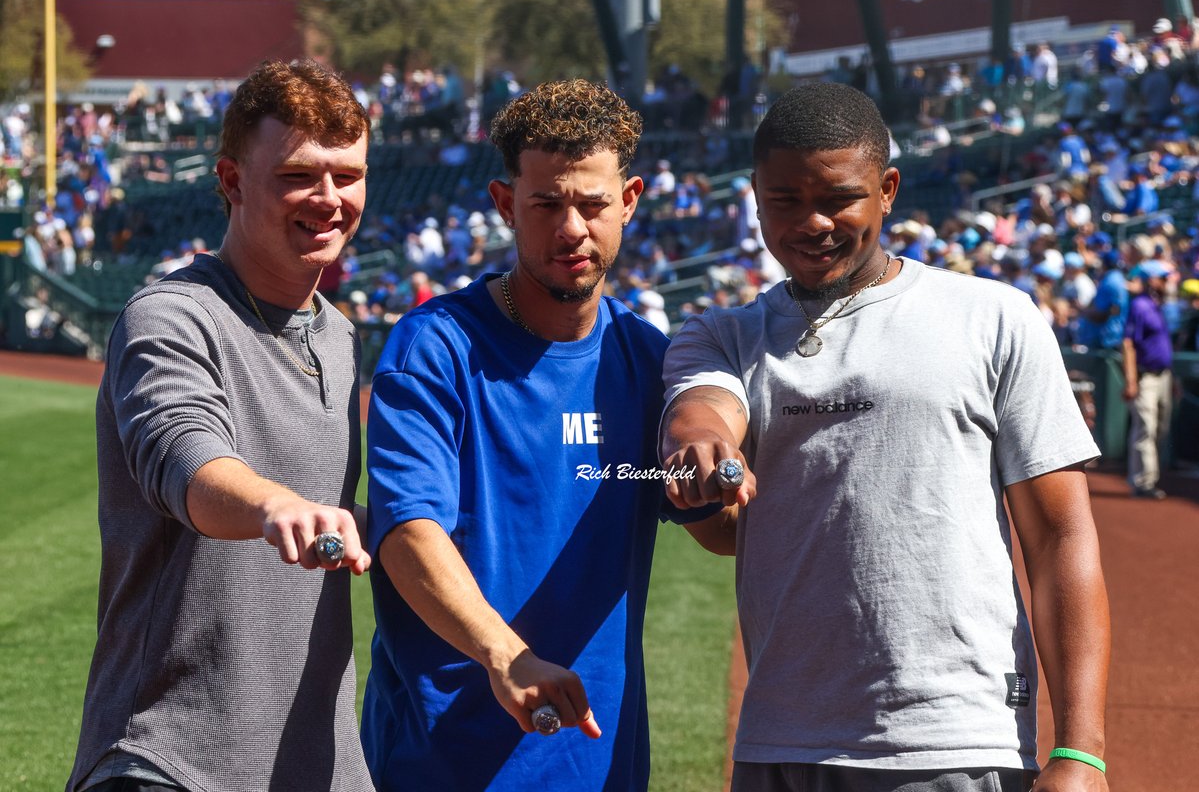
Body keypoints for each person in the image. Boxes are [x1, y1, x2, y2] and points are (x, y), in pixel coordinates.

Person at [659, 83, 1110, 792]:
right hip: (781, 740)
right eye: (784, 201)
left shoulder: (993, 317)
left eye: (838, 197)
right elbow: (706, 423)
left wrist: (1080, 752)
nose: (812, 222)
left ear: (887, 188)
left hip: (953, 744)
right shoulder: (721, 334)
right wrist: (701, 448)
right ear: (753, 197)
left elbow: (1059, 537)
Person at [361, 79, 727, 791]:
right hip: (443, 764)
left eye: (592, 205)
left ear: (628, 201)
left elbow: (717, 528)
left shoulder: (648, 360)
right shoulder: (435, 347)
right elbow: (407, 532)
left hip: (601, 760)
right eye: (546, 204)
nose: (571, 229)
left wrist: (730, 475)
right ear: (505, 205)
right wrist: (506, 655)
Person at [66, 59, 374, 792]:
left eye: (348, 174)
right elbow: (189, 464)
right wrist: (275, 506)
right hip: (170, 760)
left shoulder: (340, 335)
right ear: (232, 182)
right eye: (299, 175)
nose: (329, 199)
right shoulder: (170, 318)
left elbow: (324, 516)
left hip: (317, 765)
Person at [1122, 260, 1175, 499]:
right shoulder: (1140, 306)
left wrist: (1172, 377)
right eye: (1161, 277)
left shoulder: (1156, 304)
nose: (1165, 281)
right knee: (1146, 428)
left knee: (1160, 429)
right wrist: (1131, 380)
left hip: (1163, 375)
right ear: (1150, 279)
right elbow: (1128, 344)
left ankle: (1148, 476)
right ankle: (1143, 481)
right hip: (1146, 377)